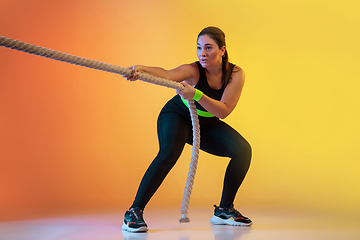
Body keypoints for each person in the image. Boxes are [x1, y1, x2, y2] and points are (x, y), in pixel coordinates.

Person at [122, 26, 252, 233]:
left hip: (206, 122)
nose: (203, 53)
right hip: (177, 116)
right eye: (199, 47)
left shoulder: (235, 74)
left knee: (243, 151)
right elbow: (167, 74)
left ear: (222, 50)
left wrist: (197, 95)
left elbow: (224, 111)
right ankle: (134, 211)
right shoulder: (193, 70)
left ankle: (224, 210)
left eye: (209, 48)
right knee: (169, 153)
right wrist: (140, 69)